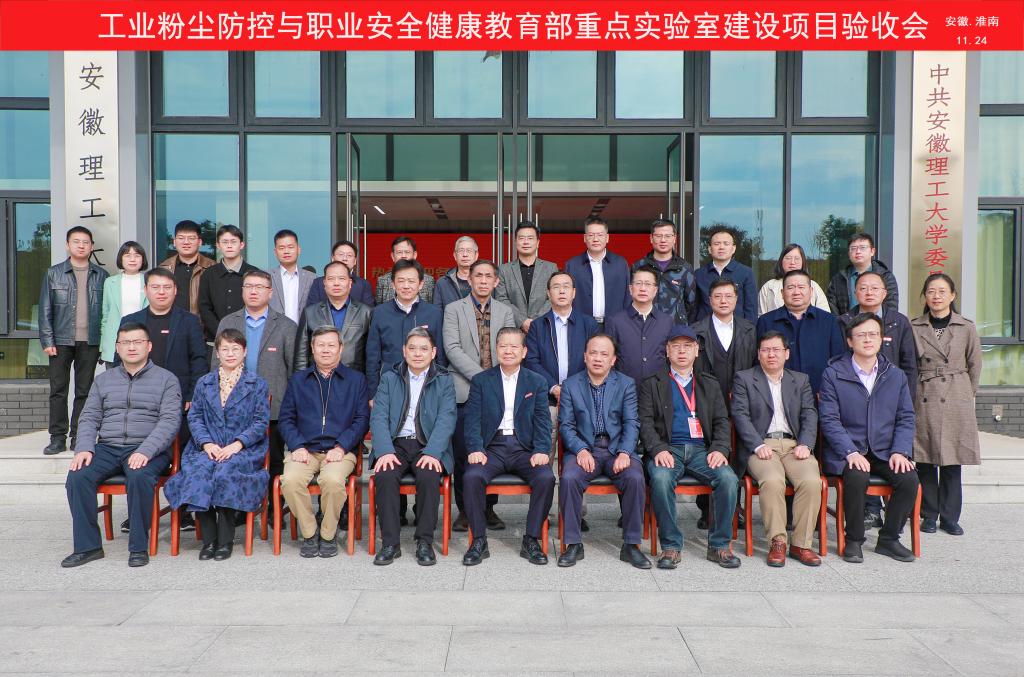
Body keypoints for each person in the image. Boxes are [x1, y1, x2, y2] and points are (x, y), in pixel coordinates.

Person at [61, 323, 181, 568]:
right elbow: (89, 417)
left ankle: (138, 547)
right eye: (126, 342)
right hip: (108, 447)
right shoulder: (103, 380)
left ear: (149, 346)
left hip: (148, 448)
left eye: (137, 342)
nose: (131, 347)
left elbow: (170, 421)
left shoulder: (166, 380)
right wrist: (84, 447)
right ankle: (88, 547)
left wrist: (145, 450)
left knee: (139, 476)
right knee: (78, 476)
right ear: (117, 348)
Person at [819, 313, 919, 563]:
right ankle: (854, 539)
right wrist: (850, 451)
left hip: (886, 450)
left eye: (873, 334)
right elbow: (829, 420)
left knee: (909, 479)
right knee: (856, 476)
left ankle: (889, 539)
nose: (868, 339)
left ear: (881, 339)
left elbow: (906, 417)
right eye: (861, 335)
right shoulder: (833, 373)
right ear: (850, 341)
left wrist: (900, 451)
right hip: (849, 451)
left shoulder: (895, 375)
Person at [164, 329, 270, 561]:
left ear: (245, 352)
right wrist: (207, 444)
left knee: (225, 472)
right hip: (207, 448)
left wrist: (237, 445)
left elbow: (260, 421)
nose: (230, 354)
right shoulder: (204, 383)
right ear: (218, 353)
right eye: (225, 349)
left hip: (243, 450)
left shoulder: (257, 384)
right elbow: (195, 417)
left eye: (235, 349)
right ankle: (209, 540)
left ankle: (225, 540)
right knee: (199, 473)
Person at [639, 326, 740, 570]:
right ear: (667, 351)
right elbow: (645, 422)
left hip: (702, 451)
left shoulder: (709, 384)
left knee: (728, 479)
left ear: (696, 351)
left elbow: (721, 421)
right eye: (676, 346)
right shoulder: (652, 383)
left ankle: (719, 545)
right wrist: (657, 449)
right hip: (668, 449)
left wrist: (720, 449)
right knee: (661, 479)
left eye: (687, 346)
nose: (681, 351)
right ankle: (671, 546)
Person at [461, 328, 555, 566]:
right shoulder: (482, 380)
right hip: (492, 447)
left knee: (545, 478)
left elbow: (543, 421)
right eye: (503, 346)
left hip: (524, 449)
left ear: (524, 352)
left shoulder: (537, 381)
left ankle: (531, 539)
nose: (508, 351)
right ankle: (479, 540)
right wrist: (475, 448)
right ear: (496, 349)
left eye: (514, 346)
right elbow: (472, 420)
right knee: (472, 477)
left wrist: (541, 450)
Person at [731, 331, 822, 567]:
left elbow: (809, 414)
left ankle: (801, 544)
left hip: (794, 445)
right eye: (766, 350)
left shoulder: (800, 380)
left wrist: (806, 443)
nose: (771, 354)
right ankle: (778, 542)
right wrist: (757, 444)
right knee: (772, 481)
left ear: (786, 354)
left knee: (812, 482)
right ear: (758, 354)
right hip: (761, 445)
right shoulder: (744, 378)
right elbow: (740, 415)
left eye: (776, 350)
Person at [558, 334, 649, 569]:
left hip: (617, 448)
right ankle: (573, 543)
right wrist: (580, 449)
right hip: (584, 449)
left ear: (613, 359)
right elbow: (566, 426)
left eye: (604, 354)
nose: (598, 358)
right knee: (569, 478)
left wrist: (625, 452)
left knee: (635, 477)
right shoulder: (571, 385)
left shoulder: (626, 384)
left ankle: (631, 545)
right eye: (593, 353)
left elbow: (632, 423)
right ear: (585, 356)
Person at [278, 326, 370, 558]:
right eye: (320, 345)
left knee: (332, 480)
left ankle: (328, 535)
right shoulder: (299, 380)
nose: (326, 350)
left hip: (340, 450)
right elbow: (286, 419)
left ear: (341, 348)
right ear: (312, 348)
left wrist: (342, 446)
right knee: (290, 480)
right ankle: (310, 533)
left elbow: (361, 420)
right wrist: (297, 446)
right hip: (305, 450)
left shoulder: (356, 380)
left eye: (331, 345)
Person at [369, 328, 457, 566]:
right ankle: (390, 543)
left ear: (433, 352)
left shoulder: (444, 380)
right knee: (385, 475)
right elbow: (378, 416)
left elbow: (447, 418)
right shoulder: (390, 377)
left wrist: (433, 452)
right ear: (404, 351)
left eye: (424, 349)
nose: (418, 354)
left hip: (427, 444)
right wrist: (384, 450)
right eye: (413, 348)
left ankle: (424, 541)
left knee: (429, 475)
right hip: (395, 444)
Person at [838, 270, 919, 530]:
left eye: (875, 288)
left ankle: (891, 533)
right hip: (855, 411)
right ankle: (864, 521)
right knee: (859, 467)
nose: (869, 292)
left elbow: (910, 365)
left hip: (888, 411)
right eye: (863, 288)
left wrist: (901, 448)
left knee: (905, 474)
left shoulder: (899, 323)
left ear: (885, 293)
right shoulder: (843, 323)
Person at [444, 260, 516, 531]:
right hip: (464, 390)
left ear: (496, 282)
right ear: (470, 280)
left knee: (491, 450)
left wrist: (491, 381)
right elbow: (452, 348)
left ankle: (488, 508)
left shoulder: (505, 312)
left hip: (497, 391)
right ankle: (465, 510)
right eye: (478, 276)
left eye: (488, 276)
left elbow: (508, 347)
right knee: (464, 452)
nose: (483, 281)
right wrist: (482, 377)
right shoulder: (453, 309)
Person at [910, 273, 982, 536]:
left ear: (952, 296)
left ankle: (950, 517)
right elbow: (910, 363)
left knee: (952, 460)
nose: (936, 296)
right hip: (925, 394)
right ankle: (928, 515)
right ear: (924, 296)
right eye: (931, 291)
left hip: (956, 396)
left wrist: (964, 394)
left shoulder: (966, 327)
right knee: (925, 459)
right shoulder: (914, 326)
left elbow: (975, 365)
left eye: (942, 291)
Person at [214, 269, 296, 486]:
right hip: (233, 407)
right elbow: (216, 366)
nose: (253, 291)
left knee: (274, 460)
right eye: (249, 286)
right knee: (235, 459)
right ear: (242, 290)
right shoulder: (228, 322)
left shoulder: (286, 326)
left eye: (259, 287)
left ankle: (272, 504)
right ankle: (240, 502)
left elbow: (294, 371)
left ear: (270, 292)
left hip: (274, 407)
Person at [691, 277, 757, 529]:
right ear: (709, 300)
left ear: (736, 300)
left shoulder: (749, 329)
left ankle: (733, 508)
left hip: (741, 402)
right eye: (718, 296)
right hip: (705, 401)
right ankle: (706, 510)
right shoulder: (697, 330)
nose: (723, 301)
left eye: (728, 296)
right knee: (707, 451)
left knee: (737, 454)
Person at [40, 226, 109, 455]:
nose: (81, 246)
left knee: (84, 391)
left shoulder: (101, 275)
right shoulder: (54, 273)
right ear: (67, 245)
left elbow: (105, 312)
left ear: (91, 246)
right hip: (60, 341)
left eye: (85, 242)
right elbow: (45, 309)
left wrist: (104, 343)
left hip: (90, 342)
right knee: (58, 390)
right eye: (76, 241)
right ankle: (57, 437)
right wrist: (47, 340)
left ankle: (79, 436)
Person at [525, 272, 599, 462]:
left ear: (574, 293)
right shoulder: (538, 326)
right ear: (548, 293)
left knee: (580, 456)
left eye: (566, 286)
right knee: (543, 454)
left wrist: (572, 389)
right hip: (547, 399)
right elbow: (531, 361)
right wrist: (554, 388)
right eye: (556, 287)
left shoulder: (589, 324)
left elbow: (595, 360)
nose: (561, 291)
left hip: (582, 396)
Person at [366, 259, 446, 399]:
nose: (406, 286)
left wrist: (440, 389)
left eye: (411, 281)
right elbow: (372, 357)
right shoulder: (380, 312)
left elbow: (441, 357)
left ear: (421, 284)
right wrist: (373, 394)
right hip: (389, 386)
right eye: (401, 281)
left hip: (426, 387)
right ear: (393, 284)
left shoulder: (434, 313)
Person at [756, 269, 845, 394]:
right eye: (791, 287)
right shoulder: (766, 321)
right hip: (777, 394)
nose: (796, 292)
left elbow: (838, 361)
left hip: (820, 394)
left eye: (801, 287)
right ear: (782, 293)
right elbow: (758, 360)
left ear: (811, 291)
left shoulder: (829, 321)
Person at [296, 261, 372, 374]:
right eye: (331, 279)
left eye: (341, 278)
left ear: (350, 283)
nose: (336, 283)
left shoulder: (366, 312)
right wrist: (300, 380)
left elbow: (371, 354)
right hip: (318, 378)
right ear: (324, 283)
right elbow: (301, 356)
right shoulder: (310, 312)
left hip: (354, 378)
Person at [605, 265, 673, 385]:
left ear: (655, 290)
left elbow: (670, 358)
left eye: (647, 284)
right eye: (638, 283)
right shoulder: (615, 321)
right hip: (624, 390)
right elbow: (608, 359)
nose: (642, 288)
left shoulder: (667, 322)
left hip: (658, 389)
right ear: (631, 289)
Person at [564, 217, 631, 326]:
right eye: (591, 235)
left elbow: (628, 296)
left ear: (607, 238)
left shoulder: (620, 263)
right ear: (585, 238)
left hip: (614, 325)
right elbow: (566, 298)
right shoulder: (572, 265)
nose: (595, 239)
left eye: (600, 235)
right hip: (581, 325)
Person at [197, 225, 259, 344]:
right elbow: (204, 308)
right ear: (218, 245)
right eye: (225, 242)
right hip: (215, 340)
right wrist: (221, 333)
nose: (229, 246)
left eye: (233, 242)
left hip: (248, 338)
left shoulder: (254, 273)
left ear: (242, 244)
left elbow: (258, 306)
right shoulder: (208, 274)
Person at [495, 221, 559, 332]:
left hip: (543, 327)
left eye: (530, 238)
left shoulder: (551, 268)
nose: (526, 242)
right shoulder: (504, 270)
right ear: (515, 242)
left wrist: (535, 322)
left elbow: (553, 297)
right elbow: (501, 299)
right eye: (521, 238)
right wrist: (522, 321)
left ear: (537, 242)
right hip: (513, 329)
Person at [632, 219, 697, 325]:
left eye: (668, 236)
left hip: (675, 328)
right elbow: (631, 298)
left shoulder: (684, 268)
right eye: (658, 236)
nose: (663, 240)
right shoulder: (639, 266)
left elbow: (691, 303)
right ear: (651, 238)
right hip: (644, 326)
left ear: (674, 238)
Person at [826, 232, 899, 316]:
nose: (858, 251)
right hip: (846, 323)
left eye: (862, 247)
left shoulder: (885, 276)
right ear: (849, 253)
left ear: (872, 251)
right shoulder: (839, 279)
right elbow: (832, 310)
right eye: (853, 248)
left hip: (879, 324)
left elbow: (891, 308)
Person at [158, 219, 216, 326]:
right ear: (174, 242)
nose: (186, 242)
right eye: (181, 238)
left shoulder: (212, 268)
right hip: (172, 327)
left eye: (191, 238)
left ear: (200, 242)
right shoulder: (164, 268)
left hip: (204, 329)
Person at [99, 241, 148, 364]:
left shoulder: (149, 281)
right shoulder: (110, 282)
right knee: (115, 375)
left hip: (141, 338)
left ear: (142, 259)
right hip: (115, 340)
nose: (132, 259)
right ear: (121, 259)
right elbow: (105, 316)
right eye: (127, 255)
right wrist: (103, 346)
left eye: (137, 255)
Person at [695, 226, 757, 322]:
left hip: (737, 329)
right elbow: (694, 308)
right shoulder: (699, 274)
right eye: (717, 244)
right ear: (710, 249)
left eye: (726, 244)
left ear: (733, 249)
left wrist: (749, 329)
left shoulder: (746, 273)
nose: (721, 247)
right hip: (705, 329)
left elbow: (751, 308)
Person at [757, 244, 830, 315]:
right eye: (788, 258)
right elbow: (761, 316)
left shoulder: (813, 286)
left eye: (797, 258)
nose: (792, 262)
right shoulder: (769, 286)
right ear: (781, 261)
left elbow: (825, 316)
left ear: (803, 262)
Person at [306, 239, 374, 308]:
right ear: (333, 258)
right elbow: (312, 310)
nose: (345, 258)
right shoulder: (318, 283)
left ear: (355, 261)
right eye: (341, 254)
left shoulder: (364, 285)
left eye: (349, 255)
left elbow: (368, 311)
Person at [268, 229, 315, 325]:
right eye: (281, 248)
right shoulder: (266, 277)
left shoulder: (311, 278)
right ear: (275, 252)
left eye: (290, 247)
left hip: (303, 331)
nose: (286, 251)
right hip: (274, 331)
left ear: (298, 250)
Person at [375, 236, 436, 305]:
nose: (403, 256)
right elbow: (378, 307)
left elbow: (432, 307)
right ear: (392, 256)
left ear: (414, 255)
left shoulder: (428, 281)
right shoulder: (382, 280)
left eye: (407, 252)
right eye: (399, 252)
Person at [433, 235, 478, 310]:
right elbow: (437, 312)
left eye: (469, 251)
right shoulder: (442, 283)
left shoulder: (485, 281)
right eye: (461, 251)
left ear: (476, 255)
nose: (465, 254)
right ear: (455, 255)